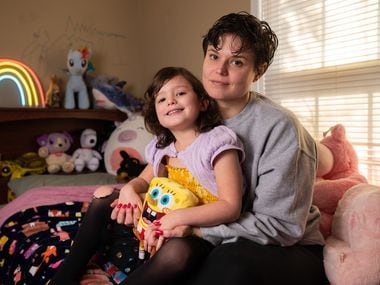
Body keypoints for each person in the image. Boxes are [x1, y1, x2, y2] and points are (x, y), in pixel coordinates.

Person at [160, 11, 327, 285]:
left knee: (229, 261)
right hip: (218, 232)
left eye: (236, 62)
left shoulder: (279, 128)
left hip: (288, 249)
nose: (219, 70)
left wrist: (198, 231)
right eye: (214, 56)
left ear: (258, 71)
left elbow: (282, 228)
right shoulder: (191, 110)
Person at [49, 66, 245, 285]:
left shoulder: (217, 142)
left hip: (196, 230)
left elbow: (230, 206)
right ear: (156, 114)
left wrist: (176, 219)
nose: (171, 101)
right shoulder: (163, 147)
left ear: (203, 102)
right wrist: (129, 190)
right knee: (103, 199)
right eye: (162, 99)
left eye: (180, 93)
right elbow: (142, 180)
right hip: (158, 217)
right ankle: (62, 279)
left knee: (177, 253)